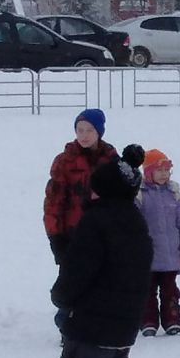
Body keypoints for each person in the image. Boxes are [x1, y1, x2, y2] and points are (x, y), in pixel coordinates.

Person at [34, 153, 152, 358]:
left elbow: (77, 271)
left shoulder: (96, 222)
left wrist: (62, 298)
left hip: (91, 327)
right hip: (123, 327)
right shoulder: (135, 221)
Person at [44, 109, 119, 265]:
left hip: (105, 236)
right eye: (80, 130)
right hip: (73, 236)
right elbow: (53, 202)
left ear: (99, 132)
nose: (84, 135)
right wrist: (56, 238)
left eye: (90, 130)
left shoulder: (111, 159)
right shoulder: (65, 160)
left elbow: (123, 198)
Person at [135, 149, 180, 336]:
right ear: (148, 172)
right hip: (148, 257)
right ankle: (148, 321)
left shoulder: (174, 195)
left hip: (170, 255)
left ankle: (172, 320)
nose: (164, 174)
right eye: (159, 170)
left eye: (167, 170)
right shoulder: (140, 195)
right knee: (147, 292)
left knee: (170, 291)